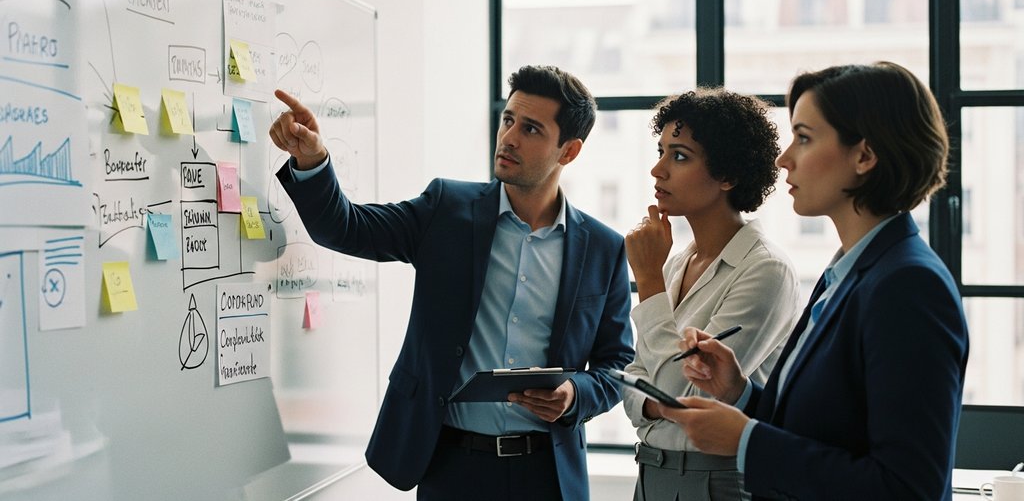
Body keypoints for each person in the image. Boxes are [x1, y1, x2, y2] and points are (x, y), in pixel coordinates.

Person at [268, 65, 634, 501]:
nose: (509, 137)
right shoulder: (447, 209)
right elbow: (345, 228)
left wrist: (576, 394)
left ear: (569, 151)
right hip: (452, 466)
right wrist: (312, 161)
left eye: (531, 129)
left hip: (547, 474)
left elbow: (617, 364)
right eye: (508, 120)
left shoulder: (603, 248)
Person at [664, 62, 969, 500]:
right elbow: (824, 430)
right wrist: (739, 393)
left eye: (804, 138)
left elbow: (907, 488)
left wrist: (747, 441)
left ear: (864, 156)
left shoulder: (908, 286)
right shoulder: (844, 274)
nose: (783, 159)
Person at [622, 88, 799, 501]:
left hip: (718, 480)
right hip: (650, 474)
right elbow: (630, 383)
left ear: (727, 176)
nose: (657, 170)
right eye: (661, 151)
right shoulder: (675, 263)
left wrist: (647, 280)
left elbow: (688, 396)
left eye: (680, 156)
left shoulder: (765, 270)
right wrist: (659, 403)